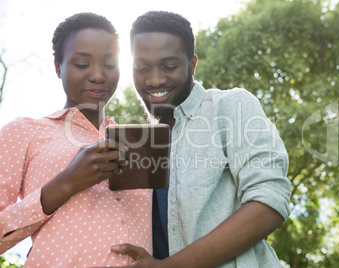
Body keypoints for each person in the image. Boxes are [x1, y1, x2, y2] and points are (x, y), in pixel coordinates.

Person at [109, 11, 292, 268]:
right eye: (142, 68)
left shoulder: (230, 106)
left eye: (169, 66)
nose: (155, 79)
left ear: (192, 64)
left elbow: (268, 202)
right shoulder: (139, 144)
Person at [0, 12, 152, 267]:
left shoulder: (142, 143)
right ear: (58, 67)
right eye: (82, 64)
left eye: (110, 64)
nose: (98, 75)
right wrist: (66, 183)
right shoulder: (25, 132)